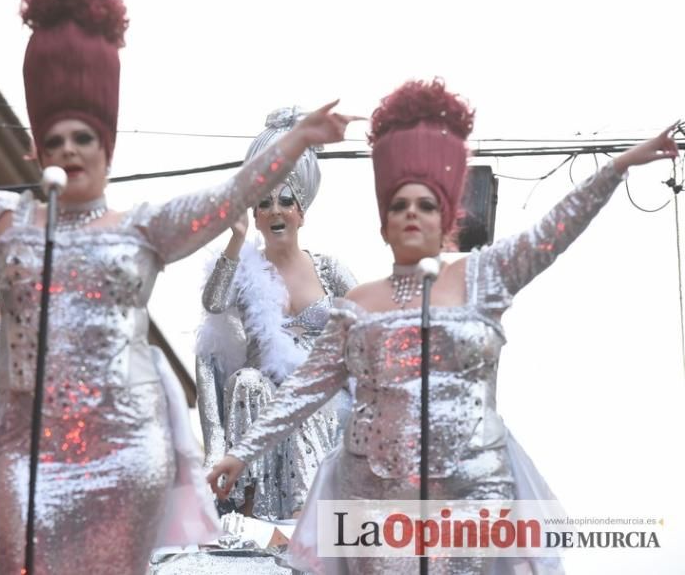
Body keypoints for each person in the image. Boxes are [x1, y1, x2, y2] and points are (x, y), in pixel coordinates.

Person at [0, 0, 355, 574]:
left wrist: (298, 139)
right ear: (36, 148)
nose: (70, 150)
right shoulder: (5, 224)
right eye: (57, 138)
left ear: (106, 148)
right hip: (23, 452)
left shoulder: (141, 229)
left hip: (123, 456)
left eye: (85, 138)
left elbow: (231, 194)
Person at [208, 78, 679, 574]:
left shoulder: (483, 278)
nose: (412, 213)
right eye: (398, 205)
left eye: (426, 204)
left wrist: (618, 167)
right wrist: (240, 453)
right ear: (383, 225)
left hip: (470, 492)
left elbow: (553, 232)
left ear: (446, 216)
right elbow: (303, 389)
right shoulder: (358, 305)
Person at [196, 105, 356, 521]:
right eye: (265, 202)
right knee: (249, 382)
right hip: (258, 395)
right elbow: (213, 304)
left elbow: (369, 331)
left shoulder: (330, 269)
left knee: (300, 395)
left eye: (287, 200)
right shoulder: (246, 268)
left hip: (320, 397)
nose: (276, 210)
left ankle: (305, 515)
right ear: (254, 214)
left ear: (302, 212)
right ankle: (252, 511)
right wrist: (234, 241)